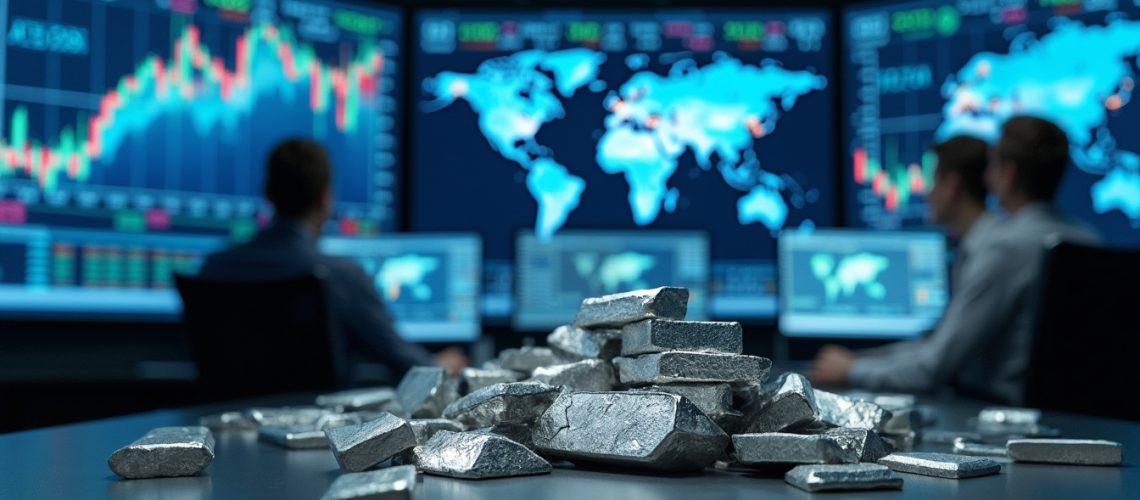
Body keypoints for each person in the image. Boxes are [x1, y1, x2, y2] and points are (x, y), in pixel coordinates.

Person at [809, 117, 1099, 404]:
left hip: (999, 414)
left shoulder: (1004, 249)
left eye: (993, 168)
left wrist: (854, 369)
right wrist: (857, 360)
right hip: (1089, 424)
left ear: (1006, 175)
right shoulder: (1090, 240)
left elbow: (935, 365)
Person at [198, 138, 467, 379]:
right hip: (313, 431)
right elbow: (407, 364)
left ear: (267, 193)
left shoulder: (213, 267)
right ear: (325, 200)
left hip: (225, 427)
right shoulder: (341, 275)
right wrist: (443, 364)